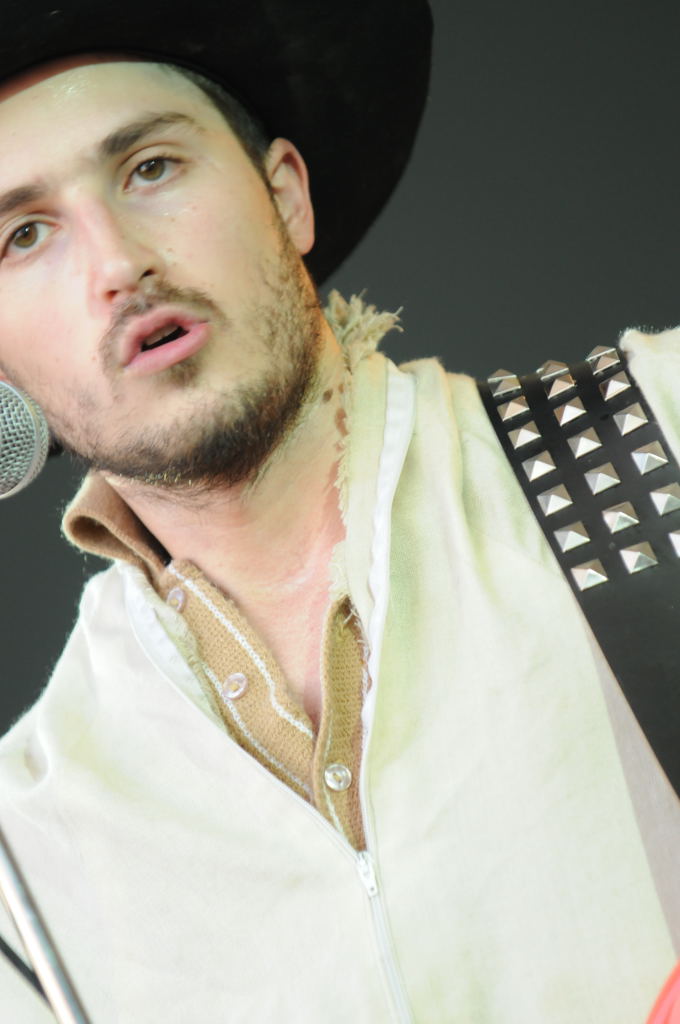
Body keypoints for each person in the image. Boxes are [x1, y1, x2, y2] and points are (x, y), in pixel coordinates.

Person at [0, 1, 677, 1021]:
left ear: (286, 195)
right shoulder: (24, 874)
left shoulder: (661, 439)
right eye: (23, 234)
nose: (116, 264)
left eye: (150, 168)